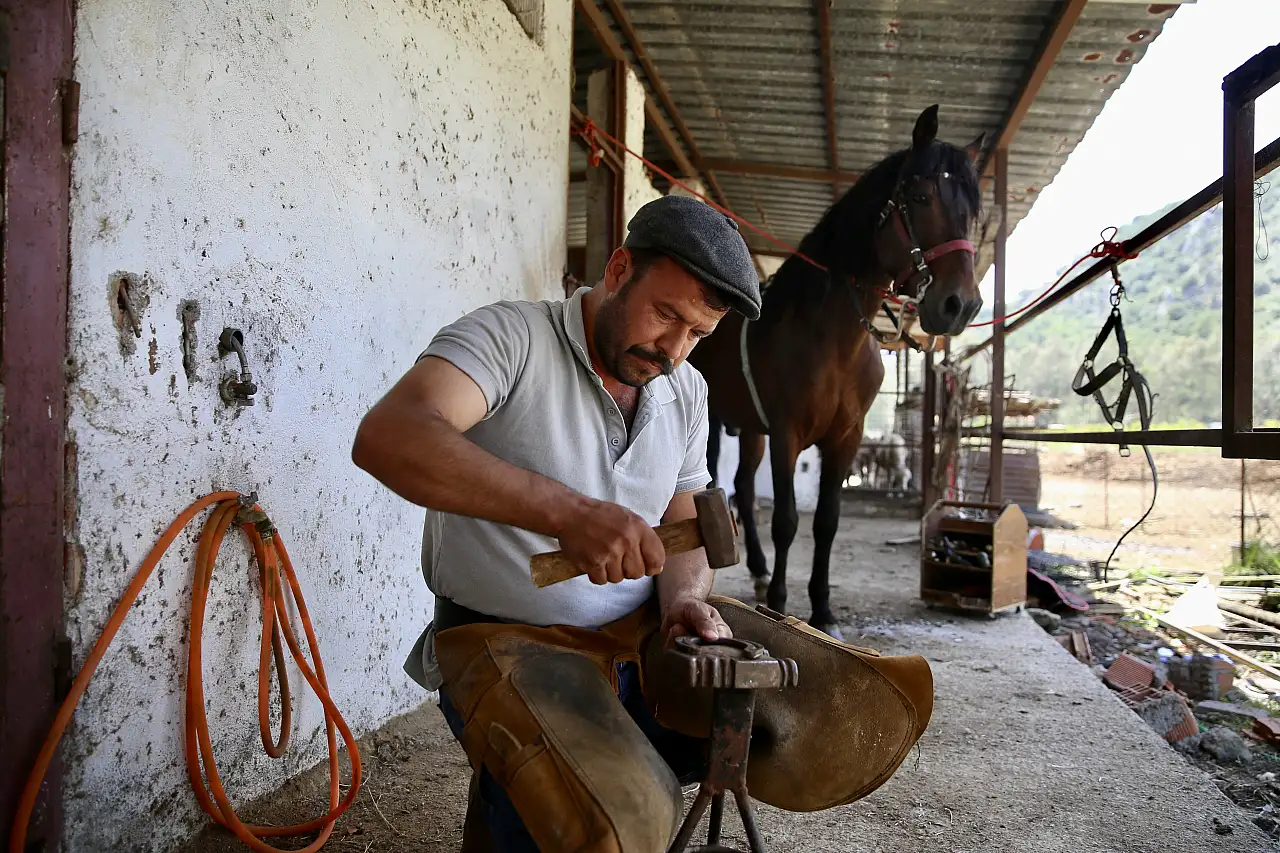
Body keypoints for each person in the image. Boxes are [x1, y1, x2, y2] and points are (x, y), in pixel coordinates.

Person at [351, 194, 763, 851]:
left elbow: (687, 516)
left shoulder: (685, 389)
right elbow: (389, 436)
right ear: (620, 269)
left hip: (633, 638)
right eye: (666, 316)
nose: (674, 350)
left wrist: (685, 599)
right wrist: (565, 511)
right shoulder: (511, 338)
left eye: (697, 334)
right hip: (504, 641)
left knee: (802, 718)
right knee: (613, 822)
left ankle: (506, 814)